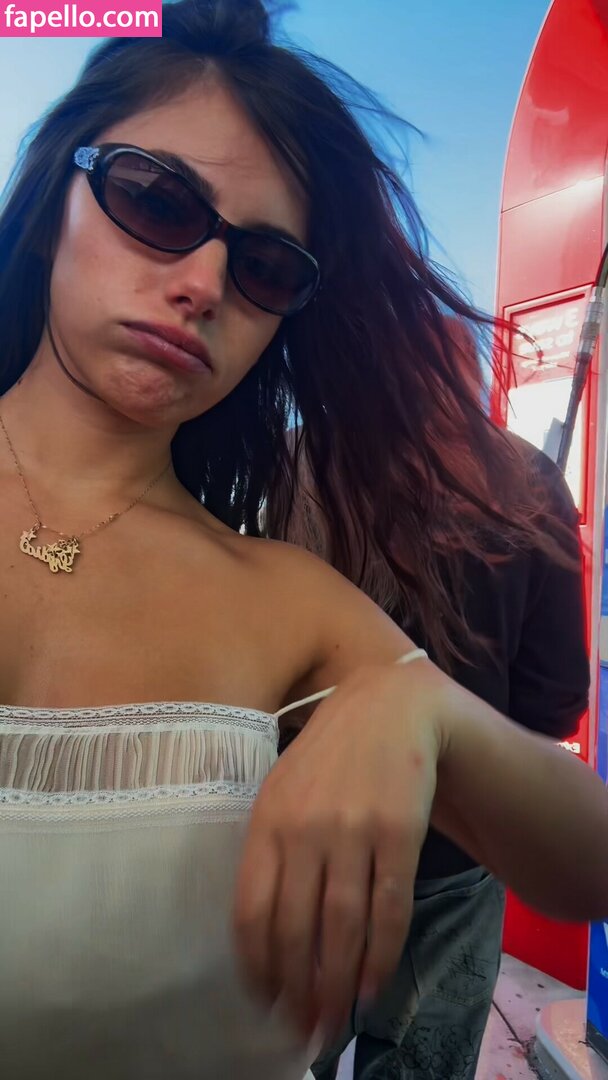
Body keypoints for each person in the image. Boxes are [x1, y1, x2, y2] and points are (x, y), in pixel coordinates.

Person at [0, 2, 605, 1078]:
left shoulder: (285, 595)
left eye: (266, 267)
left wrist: (424, 711)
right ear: (55, 202)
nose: (201, 285)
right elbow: (557, 692)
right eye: (157, 202)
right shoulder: (502, 483)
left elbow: (588, 861)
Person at [274, 319, 589, 1079]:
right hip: (458, 853)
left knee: (284, 1057)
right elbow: (553, 702)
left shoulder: (288, 465)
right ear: (465, 372)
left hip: (305, 837)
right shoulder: (525, 480)